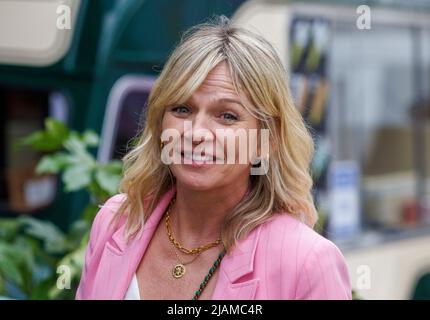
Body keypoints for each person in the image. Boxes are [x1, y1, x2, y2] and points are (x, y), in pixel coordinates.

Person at [76, 16, 351, 300]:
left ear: (266, 141)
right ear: (160, 124)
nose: (196, 133)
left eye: (227, 116)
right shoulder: (115, 222)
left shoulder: (307, 262)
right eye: (182, 109)